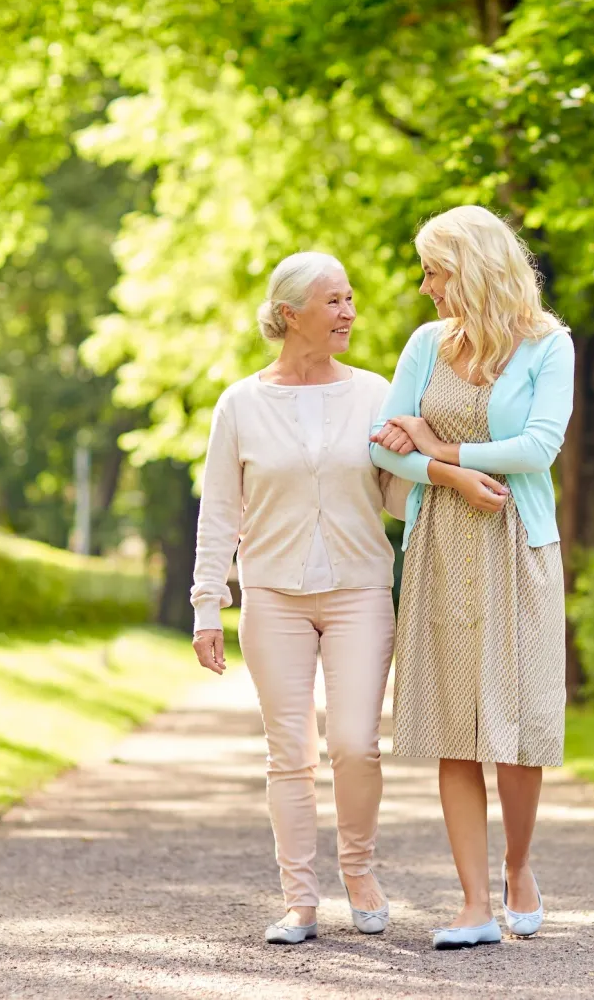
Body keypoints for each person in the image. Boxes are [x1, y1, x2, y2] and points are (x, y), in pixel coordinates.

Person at [371, 205, 574, 950]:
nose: (424, 287)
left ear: (476, 269)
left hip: (520, 546)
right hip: (441, 546)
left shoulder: (550, 347)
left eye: (436, 270)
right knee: (456, 728)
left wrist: (440, 448)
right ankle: (472, 904)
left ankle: (520, 871)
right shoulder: (427, 345)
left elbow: (538, 448)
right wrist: (441, 474)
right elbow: (384, 443)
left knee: (516, 727)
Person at [190, 251, 405, 944]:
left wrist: (417, 449)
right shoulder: (241, 404)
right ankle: (299, 901)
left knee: (354, 744)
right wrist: (206, 606)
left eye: (350, 298)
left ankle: (360, 870)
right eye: (335, 301)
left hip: (359, 588)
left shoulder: (375, 392)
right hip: (274, 596)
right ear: (291, 315)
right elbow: (219, 511)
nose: (350, 312)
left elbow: (398, 501)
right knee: (290, 754)